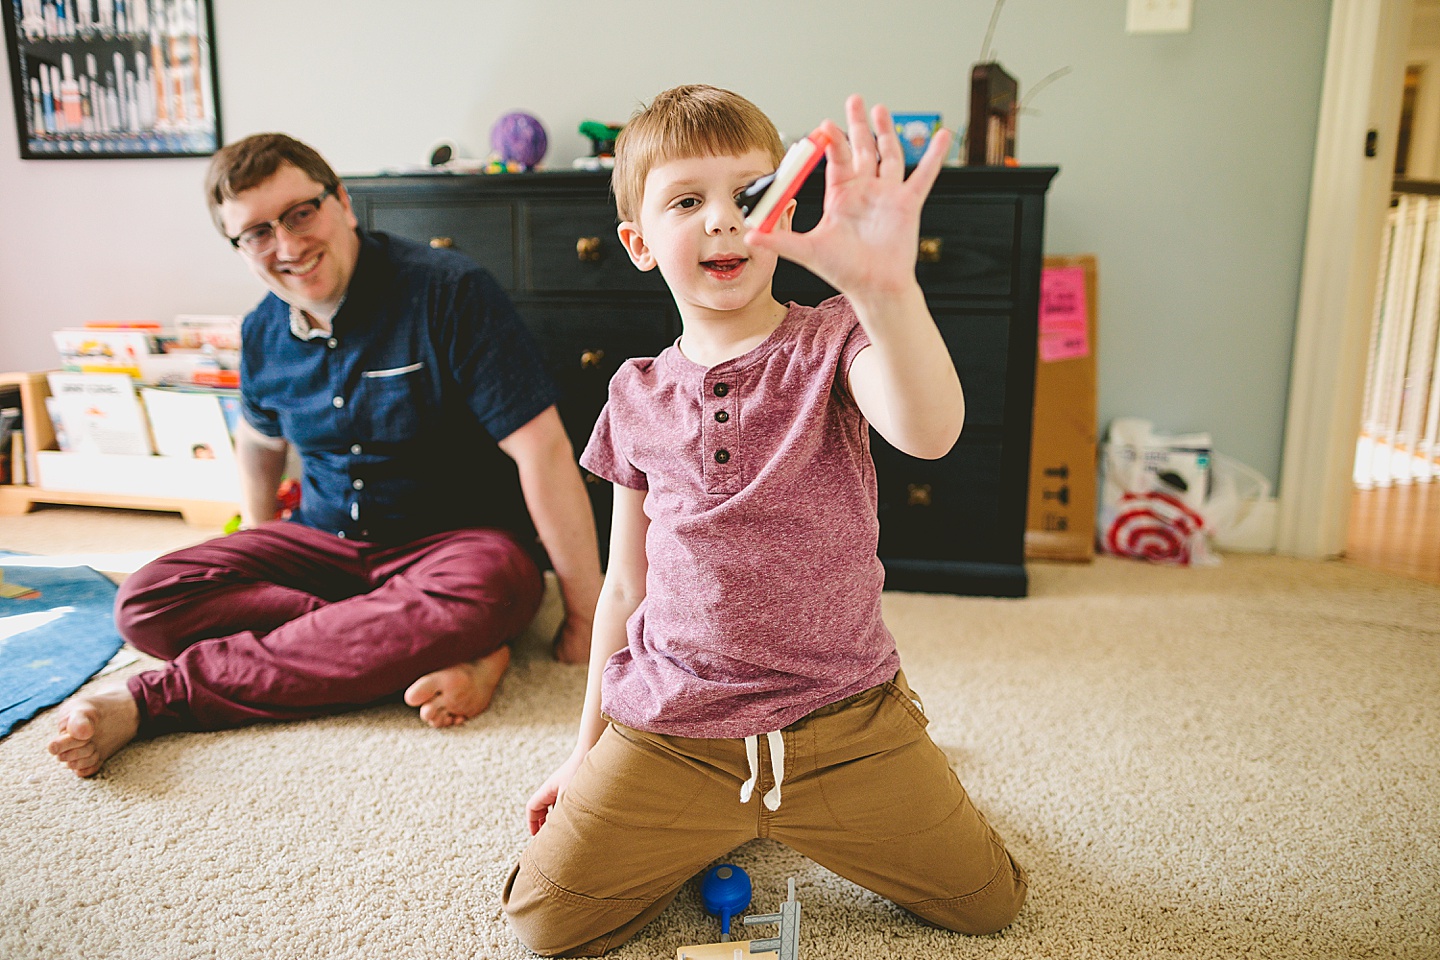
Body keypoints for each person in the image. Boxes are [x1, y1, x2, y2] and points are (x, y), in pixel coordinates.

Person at [502, 85, 1027, 956]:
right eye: (685, 201)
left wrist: (886, 287)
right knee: (542, 920)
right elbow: (623, 588)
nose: (723, 222)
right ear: (638, 243)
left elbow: (931, 434)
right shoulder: (632, 394)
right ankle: (729, 817)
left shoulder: (834, 339)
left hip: (843, 717)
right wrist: (584, 751)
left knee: (988, 902)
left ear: (782, 209)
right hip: (675, 727)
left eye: (747, 196)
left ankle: (869, 769)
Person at [47, 134, 603, 778]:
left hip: (454, 548)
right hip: (324, 544)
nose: (286, 246)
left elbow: (544, 451)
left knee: (499, 586)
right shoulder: (260, 329)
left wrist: (584, 611)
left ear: (341, 201)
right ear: (238, 246)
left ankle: (159, 699)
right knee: (144, 602)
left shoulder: (451, 291)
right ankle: (449, 650)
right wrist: (257, 553)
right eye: (256, 232)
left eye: (300, 213)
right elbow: (259, 446)